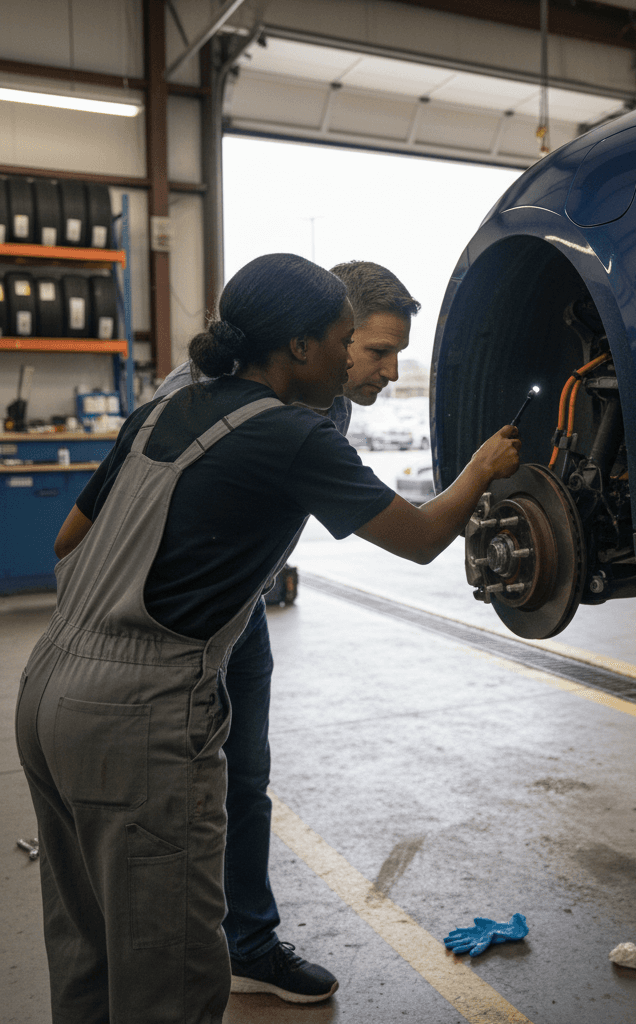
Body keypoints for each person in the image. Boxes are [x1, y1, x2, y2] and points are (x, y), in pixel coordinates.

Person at [15, 253, 520, 1024]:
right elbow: (419, 538)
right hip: (139, 706)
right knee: (168, 983)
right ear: (300, 348)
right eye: (350, 341)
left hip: (48, 682)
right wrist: (481, 468)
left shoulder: (163, 410)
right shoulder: (293, 433)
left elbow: (66, 539)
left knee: (88, 955)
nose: (361, 360)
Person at [146, 261, 420, 1004]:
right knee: (173, 795)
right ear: (312, 342)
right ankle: (172, 955)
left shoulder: (328, 400)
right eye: (371, 350)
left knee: (246, 780)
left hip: (242, 612)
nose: (390, 372)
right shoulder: (198, 401)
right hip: (172, 626)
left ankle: (247, 944)